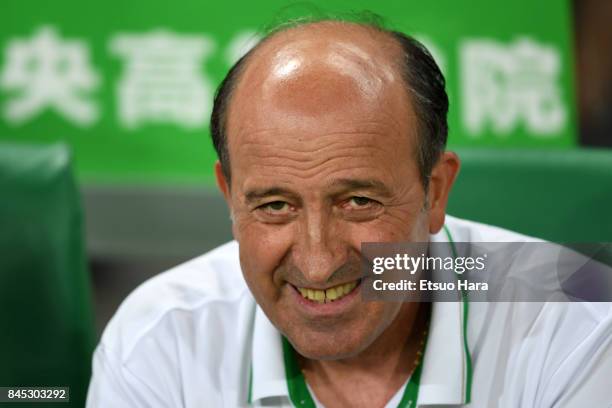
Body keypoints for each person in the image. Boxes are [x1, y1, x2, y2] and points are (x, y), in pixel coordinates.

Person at [86, 18, 612, 408]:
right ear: (229, 196)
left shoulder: (577, 317)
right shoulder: (160, 337)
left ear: (436, 190)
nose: (317, 262)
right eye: (274, 206)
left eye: (359, 202)